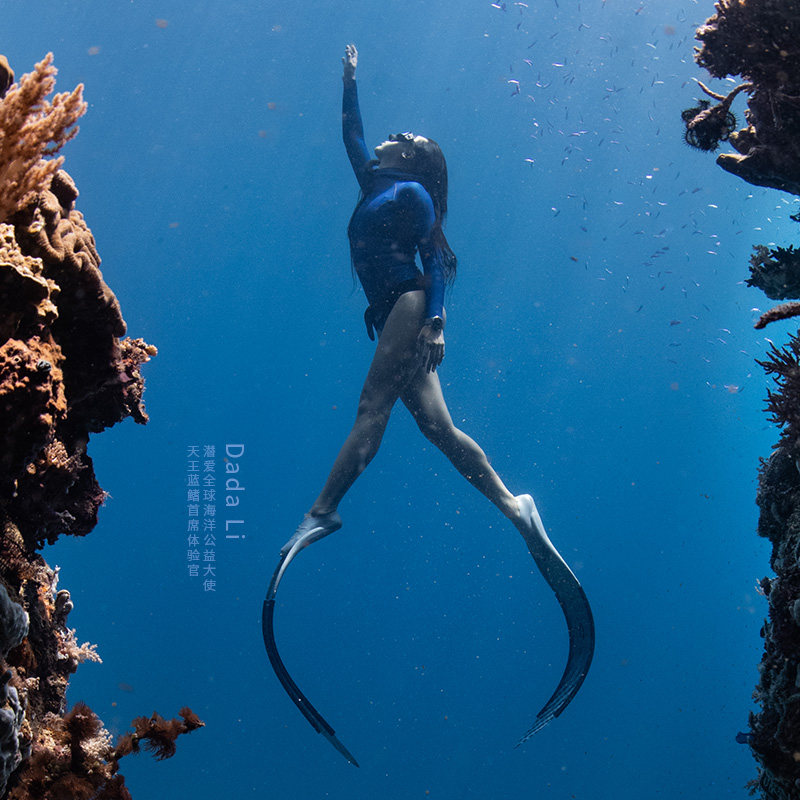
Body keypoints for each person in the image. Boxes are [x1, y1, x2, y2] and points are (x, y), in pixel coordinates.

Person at [262, 44, 594, 765]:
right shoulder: (375, 180)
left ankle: (323, 510)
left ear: (413, 161)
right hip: (391, 313)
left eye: (400, 139)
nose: (388, 137)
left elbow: (435, 259)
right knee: (439, 429)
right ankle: (515, 505)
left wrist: (438, 322)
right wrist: (348, 78)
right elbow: (353, 136)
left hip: (409, 307)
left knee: (370, 408)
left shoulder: (410, 197)